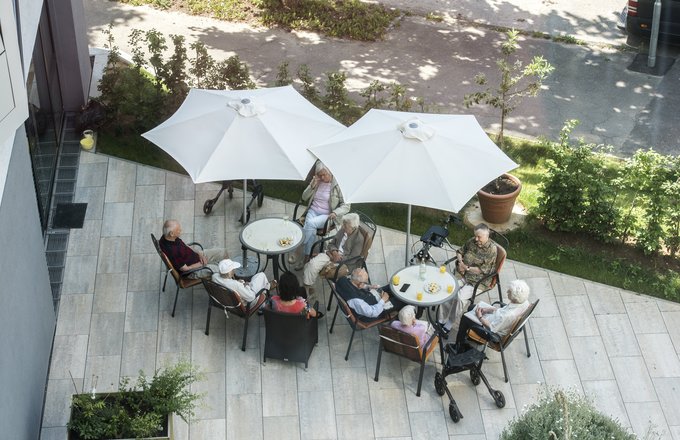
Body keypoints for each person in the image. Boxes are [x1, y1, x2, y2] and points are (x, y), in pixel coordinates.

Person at [438, 223, 498, 334]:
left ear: (487, 236)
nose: (476, 239)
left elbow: (483, 270)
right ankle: (441, 319)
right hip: (462, 274)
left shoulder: (492, 250)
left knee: (459, 298)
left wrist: (467, 268)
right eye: (475, 236)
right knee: (447, 290)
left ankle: (450, 322)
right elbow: (460, 251)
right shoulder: (472, 241)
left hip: (477, 281)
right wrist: (460, 263)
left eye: (479, 237)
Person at [294, 162, 350, 270]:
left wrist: (336, 212)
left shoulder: (338, 185)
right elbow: (304, 197)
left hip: (328, 215)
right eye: (320, 175)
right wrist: (312, 185)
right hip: (312, 211)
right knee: (311, 230)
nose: (322, 177)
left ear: (330, 172)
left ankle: (298, 248)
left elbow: (346, 206)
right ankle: (306, 258)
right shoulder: (317, 180)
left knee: (310, 224)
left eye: (324, 175)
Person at [302, 212, 365, 302]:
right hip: (331, 254)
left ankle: (308, 290)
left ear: (353, 227)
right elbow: (331, 243)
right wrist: (334, 252)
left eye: (346, 225)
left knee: (316, 268)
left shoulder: (359, 239)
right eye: (344, 224)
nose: (343, 227)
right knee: (311, 265)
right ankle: (308, 289)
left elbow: (352, 259)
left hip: (344, 264)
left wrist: (338, 258)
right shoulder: (343, 229)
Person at [454, 279, 531, 350]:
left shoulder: (508, 315)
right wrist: (489, 309)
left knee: (465, 317)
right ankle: (472, 336)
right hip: (498, 321)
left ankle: (458, 345)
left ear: (515, 298)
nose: (507, 292)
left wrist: (480, 316)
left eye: (509, 292)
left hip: (492, 335)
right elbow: (503, 311)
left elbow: (492, 328)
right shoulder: (524, 302)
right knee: (472, 307)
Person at [158, 219, 229, 278]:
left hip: (195, 257)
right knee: (223, 270)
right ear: (172, 234)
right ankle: (231, 281)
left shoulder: (167, 238)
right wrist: (200, 264)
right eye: (178, 230)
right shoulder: (173, 252)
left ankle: (230, 270)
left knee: (223, 252)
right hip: (193, 271)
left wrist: (200, 254)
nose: (181, 230)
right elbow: (185, 269)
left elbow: (186, 246)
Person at [335, 268, 405, 322]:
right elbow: (372, 313)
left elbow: (359, 286)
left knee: (391, 286)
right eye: (365, 282)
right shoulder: (356, 300)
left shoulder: (344, 280)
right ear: (359, 282)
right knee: (401, 300)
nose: (366, 283)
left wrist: (369, 287)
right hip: (371, 313)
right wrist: (383, 300)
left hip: (369, 298)